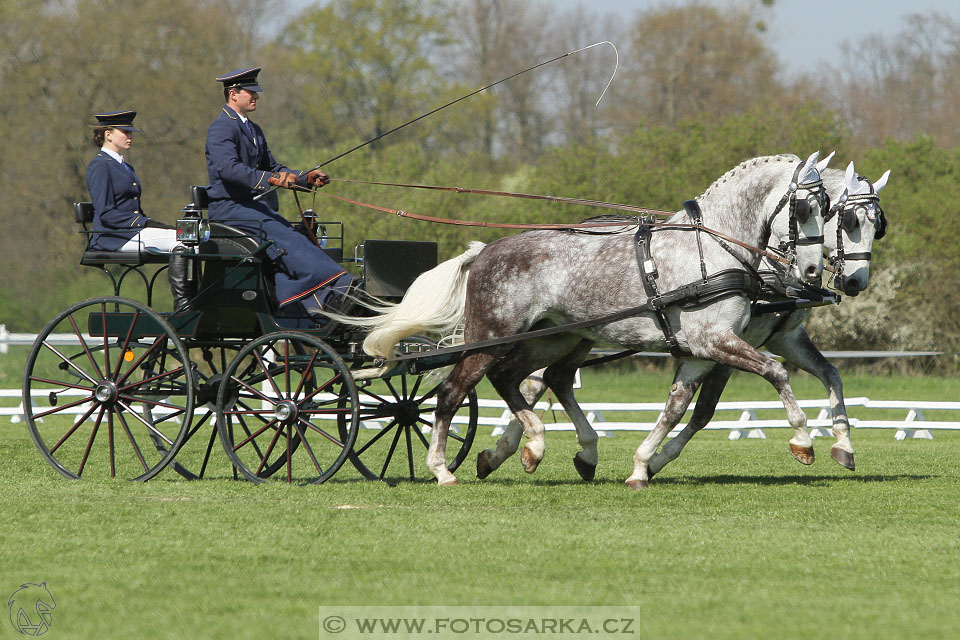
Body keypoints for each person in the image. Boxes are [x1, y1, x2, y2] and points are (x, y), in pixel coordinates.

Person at [204, 67, 355, 319]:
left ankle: (299, 298)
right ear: (233, 94)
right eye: (250, 92)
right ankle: (338, 287)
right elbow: (228, 169)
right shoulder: (221, 128)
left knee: (298, 234)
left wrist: (305, 178)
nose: (256, 97)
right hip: (229, 208)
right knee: (286, 239)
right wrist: (271, 179)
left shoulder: (254, 130)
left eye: (256, 92)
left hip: (252, 207)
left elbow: (273, 167)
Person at [85, 111, 178, 252]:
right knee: (184, 242)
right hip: (113, 237)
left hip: (131, 232)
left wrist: (154, 224)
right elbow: (106, 214)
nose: (130, 136)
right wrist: (143, 222)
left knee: (189, 239)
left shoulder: (126, 167)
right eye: (125, 132)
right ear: (108, 135)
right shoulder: (100, 165)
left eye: (130, 132)